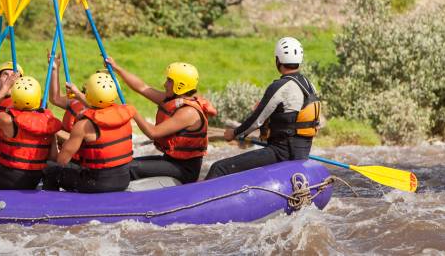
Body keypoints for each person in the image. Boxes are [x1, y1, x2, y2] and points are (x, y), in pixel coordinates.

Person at [205, 37, 321, 179]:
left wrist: (234, 133)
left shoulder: (280, 86)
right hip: (301, 153)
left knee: (219, 168)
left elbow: (256, 120)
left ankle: (195, 199)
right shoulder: (310, 86)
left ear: (278, 60)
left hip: (280, 153)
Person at [106, 58, 216, 184]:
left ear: (180, 86)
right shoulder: (173, 99)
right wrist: (117, 68)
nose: (165, 84)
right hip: (171, 161)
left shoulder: (188, 112)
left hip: (184, 170)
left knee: (130, 168)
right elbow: (142, 88)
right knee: (128, 163)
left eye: (169, 81)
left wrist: (133, 112)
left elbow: (153, 132)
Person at [43, 72, 137, 193]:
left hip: (97, 183)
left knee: (50, 169)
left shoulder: (83, 126)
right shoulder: (124, 115)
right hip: (124, 178)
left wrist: (52, 137)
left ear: (88, 94)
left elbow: (61, 161)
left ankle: (52, 208)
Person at [0, 73, 62, 190]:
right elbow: (54, 156)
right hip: (35, 178)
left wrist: (5, 87)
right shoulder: (49, 122)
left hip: (7, 177)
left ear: (14, 98)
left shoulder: (8, 120)